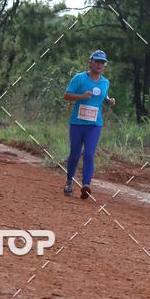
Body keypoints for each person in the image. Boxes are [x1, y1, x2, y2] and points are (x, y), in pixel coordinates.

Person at [63, 50, 115, 199]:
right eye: (97, 61)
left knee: (89, 153)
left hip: (94, 125)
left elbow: (103, 95)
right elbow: (66, 95)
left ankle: (86, 185)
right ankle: (69, 181)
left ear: (105, 65)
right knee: (75, 153)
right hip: (77, 123)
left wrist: (109, 101)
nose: (99, 64)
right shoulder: (79, 78)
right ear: (90, 62)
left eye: (102, 62)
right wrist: (81, 96)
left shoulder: (105, 82)